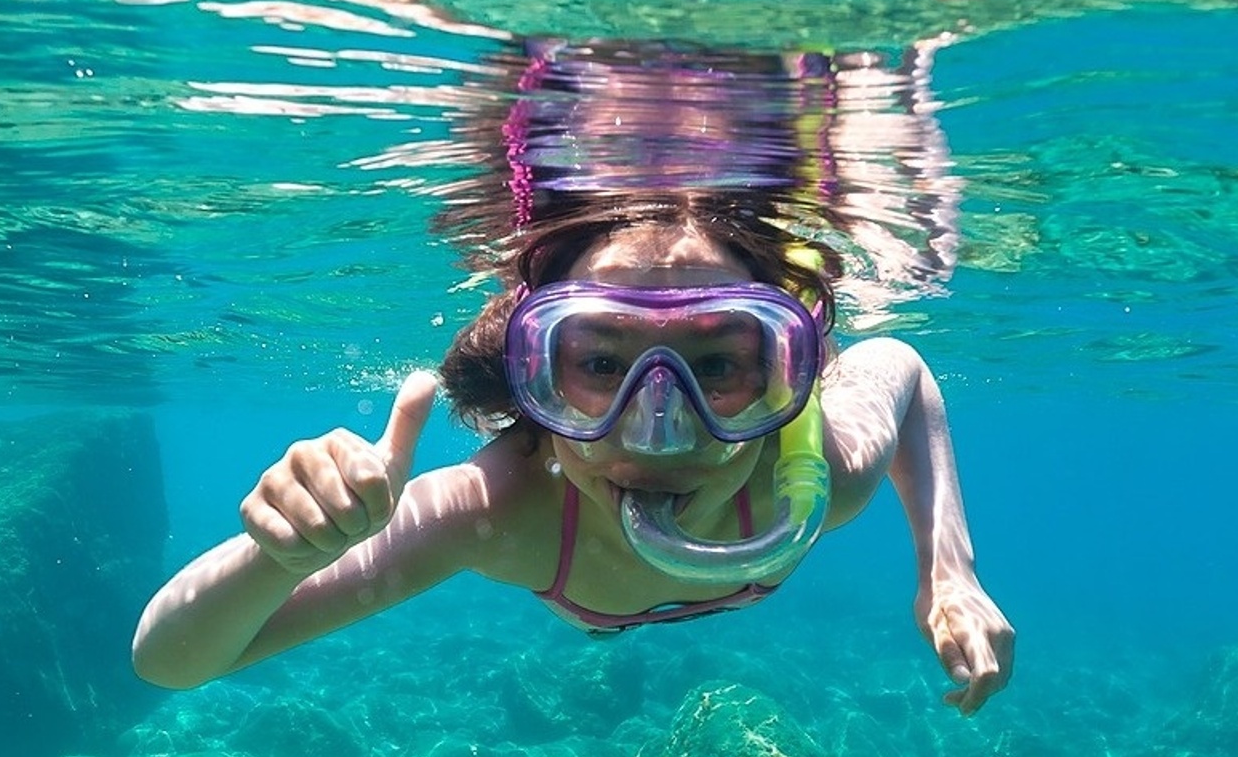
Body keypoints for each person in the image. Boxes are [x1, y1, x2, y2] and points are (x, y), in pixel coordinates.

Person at [132, 41, 1014, 717]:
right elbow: (170, 659)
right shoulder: (497, 514)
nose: (659, 431)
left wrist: (951, 571)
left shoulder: (813, 476)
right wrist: (277, 557)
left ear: (786, 371)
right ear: (533, 385)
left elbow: (900, 366)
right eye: (598, 365)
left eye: (716, 364)